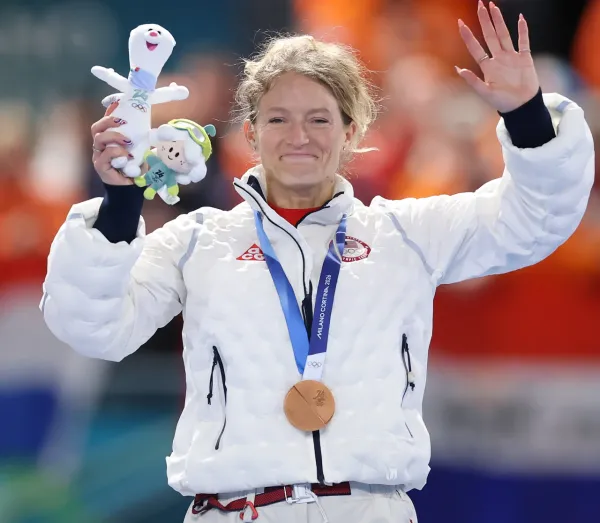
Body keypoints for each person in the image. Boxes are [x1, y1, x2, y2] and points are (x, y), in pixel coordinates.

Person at [41, 3, 594, 522]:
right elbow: (93, 327)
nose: (299, 137)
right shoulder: (197, 242)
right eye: (278, 119)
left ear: (352, 131)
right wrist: (120, 204)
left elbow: (534, 220)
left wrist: (526, 115)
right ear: (250, 132)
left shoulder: (405, 234)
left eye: (320, 119)